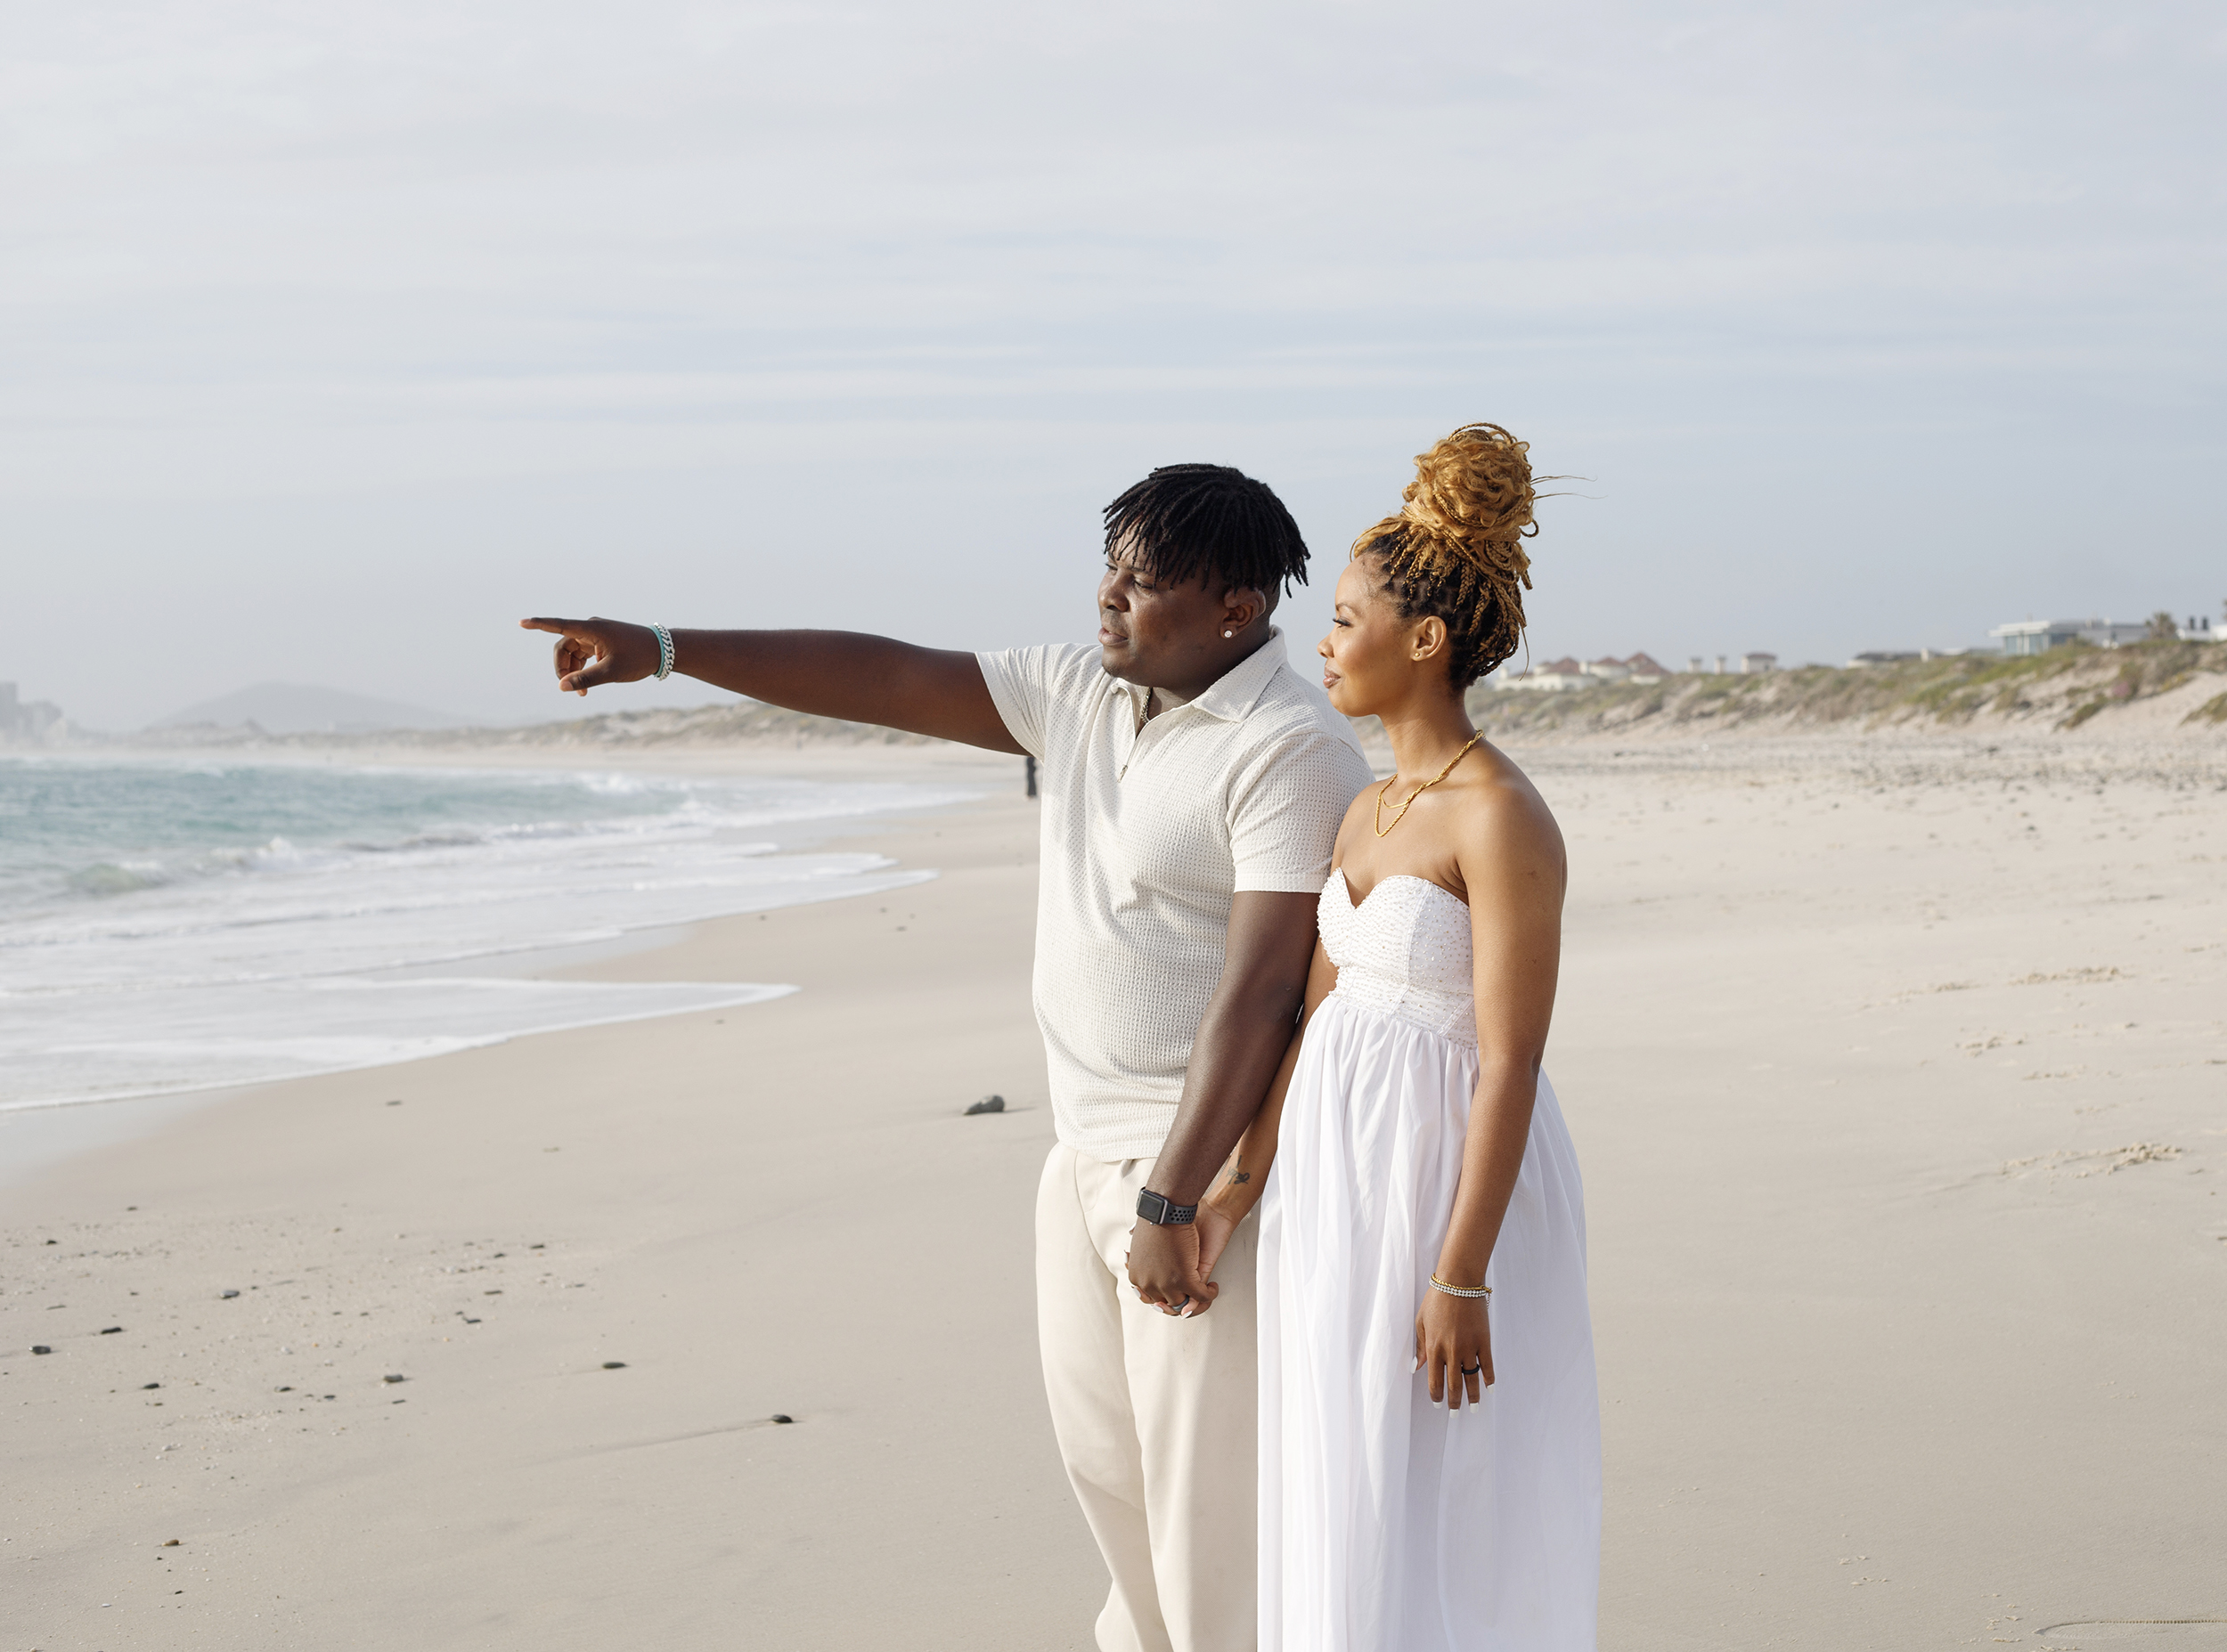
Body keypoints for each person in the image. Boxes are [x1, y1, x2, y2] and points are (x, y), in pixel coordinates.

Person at [520, 462, 1374, 1652]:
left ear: (1236, 606)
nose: (1108, 597)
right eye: (1109, 568)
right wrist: (664, 649)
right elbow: (884, 674)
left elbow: (1266, 991)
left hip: (1202, 1170)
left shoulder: (1289, 748)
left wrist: (1175, 1195)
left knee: (1207, 1506)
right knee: (1109, 1472)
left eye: (1142, 581)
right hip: (1082, 1146)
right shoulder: (1083, 691)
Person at [1191, 425, 1602, 1651]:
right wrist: (1245, 1182)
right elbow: (1317, 1013)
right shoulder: (1368, 808)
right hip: (1335, 1178)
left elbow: (1511, 1058)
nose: (1322, 642)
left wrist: (1460, 1269)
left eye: (1343, 617)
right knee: (1339, 1461)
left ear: (1424, 641)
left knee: (1452, 1484)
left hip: (1447, 1178)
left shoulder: (1501, 815)